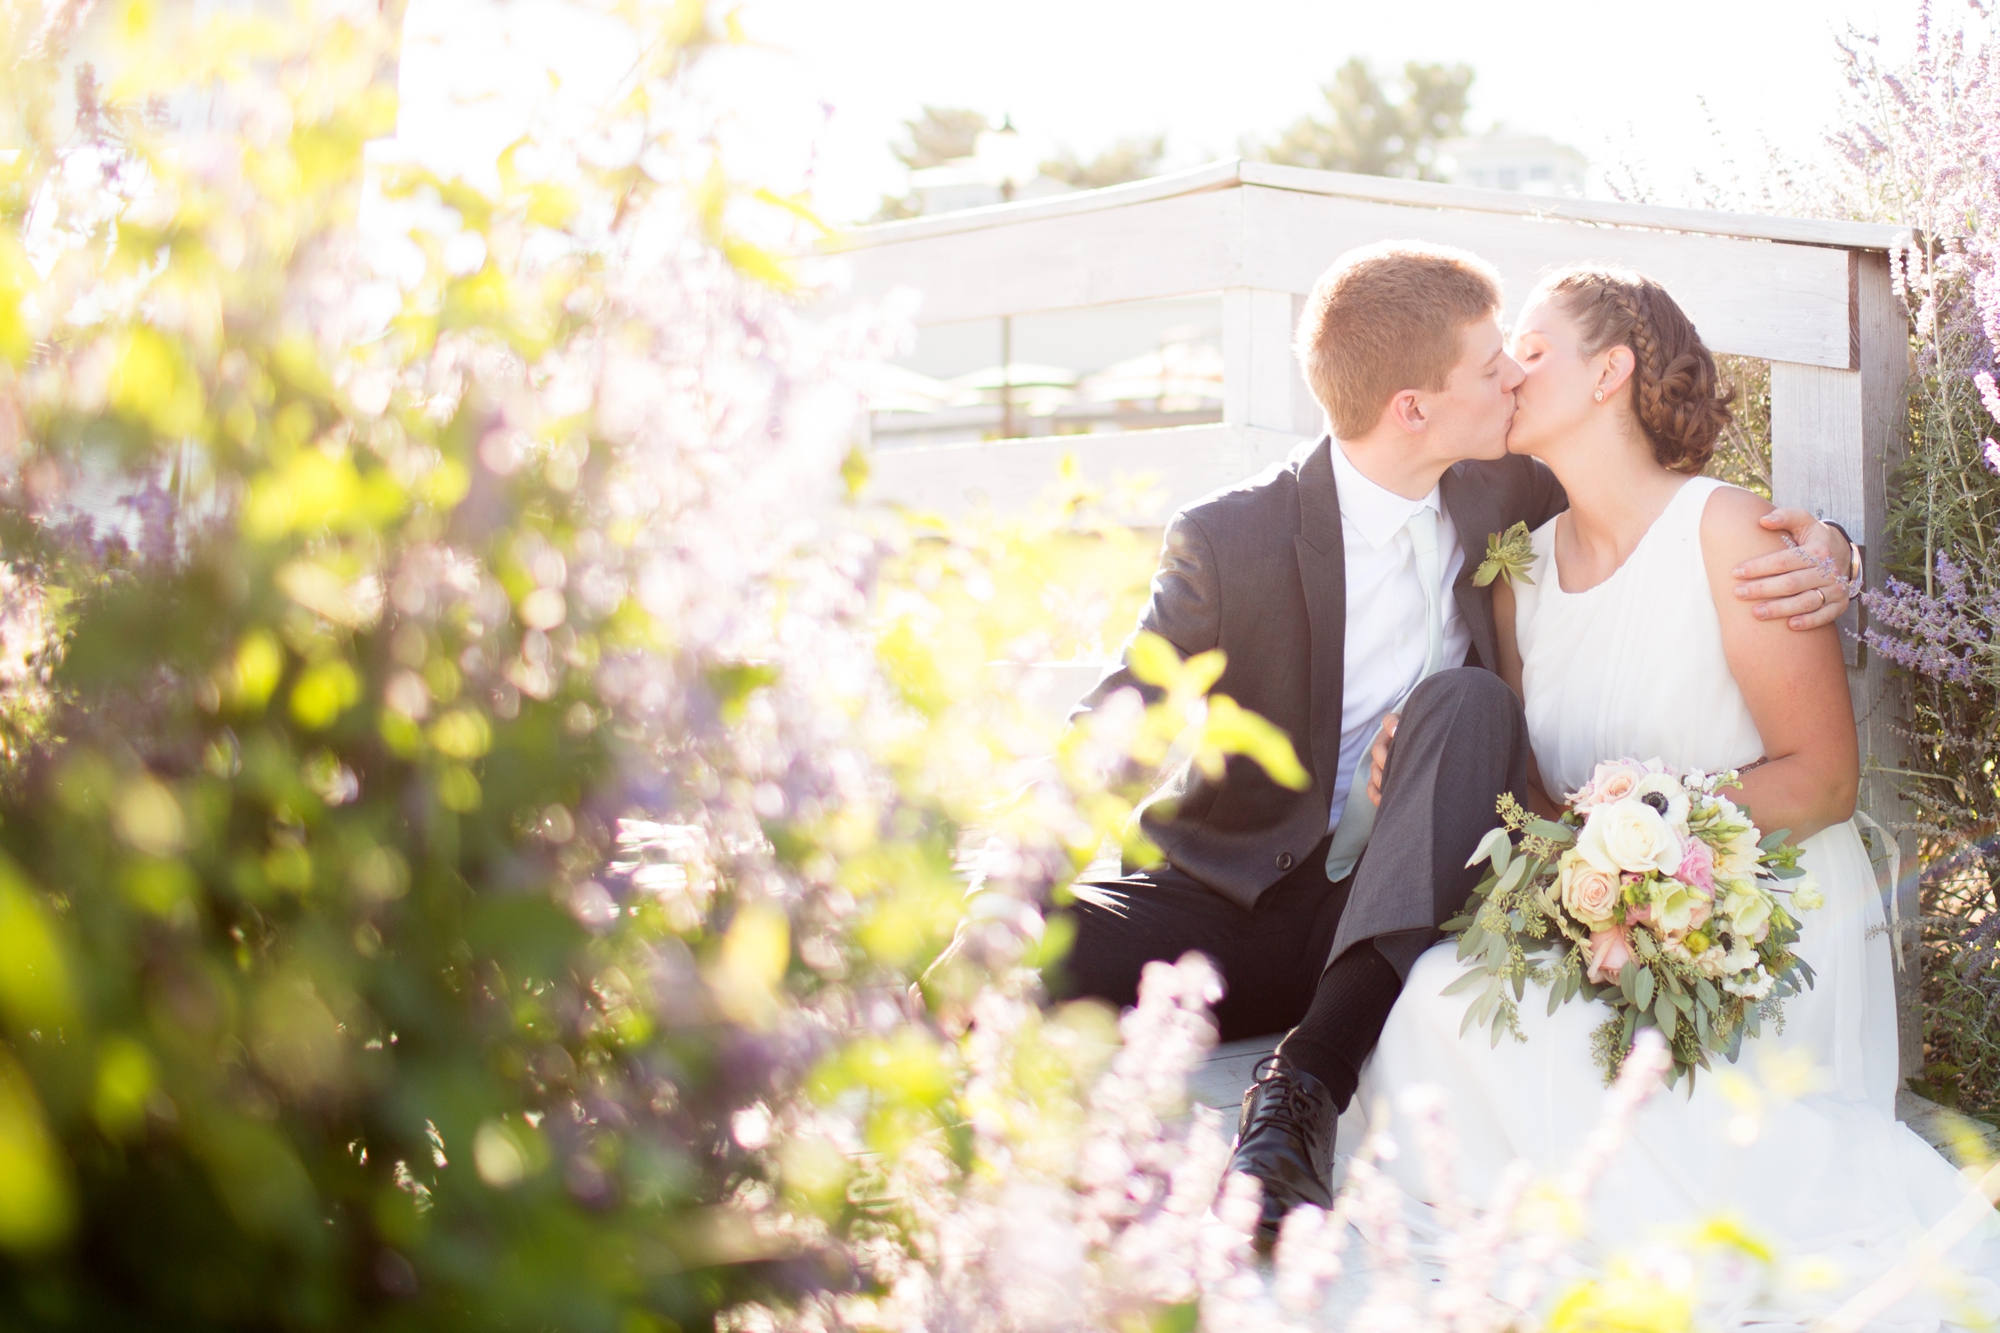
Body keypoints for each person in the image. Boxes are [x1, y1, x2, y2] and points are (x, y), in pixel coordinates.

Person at [1049, 241, 1858, 1246]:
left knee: (1467, 700)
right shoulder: (1233, 537)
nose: (1511, 378)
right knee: (1016, 948)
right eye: (1492, 364)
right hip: (1226, 901)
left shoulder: (1502, 489)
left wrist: (1829, 544)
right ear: (1411, 409)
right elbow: (1119, 720)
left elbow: (1658, 503)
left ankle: (1296, 1099)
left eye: (1522, 356)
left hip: (1396, 910)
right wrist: (1001, 879)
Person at [1359, 264, 2000, 1326]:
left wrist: (1652, 843)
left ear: (1608, 370)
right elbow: (1534, 792)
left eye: (1531, 347)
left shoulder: (1729, 533)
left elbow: (1821, 778)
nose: (1508, 371)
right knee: (1432, 1000)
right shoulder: (1517, 572)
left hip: (1761, 918)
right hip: (1602, 918)